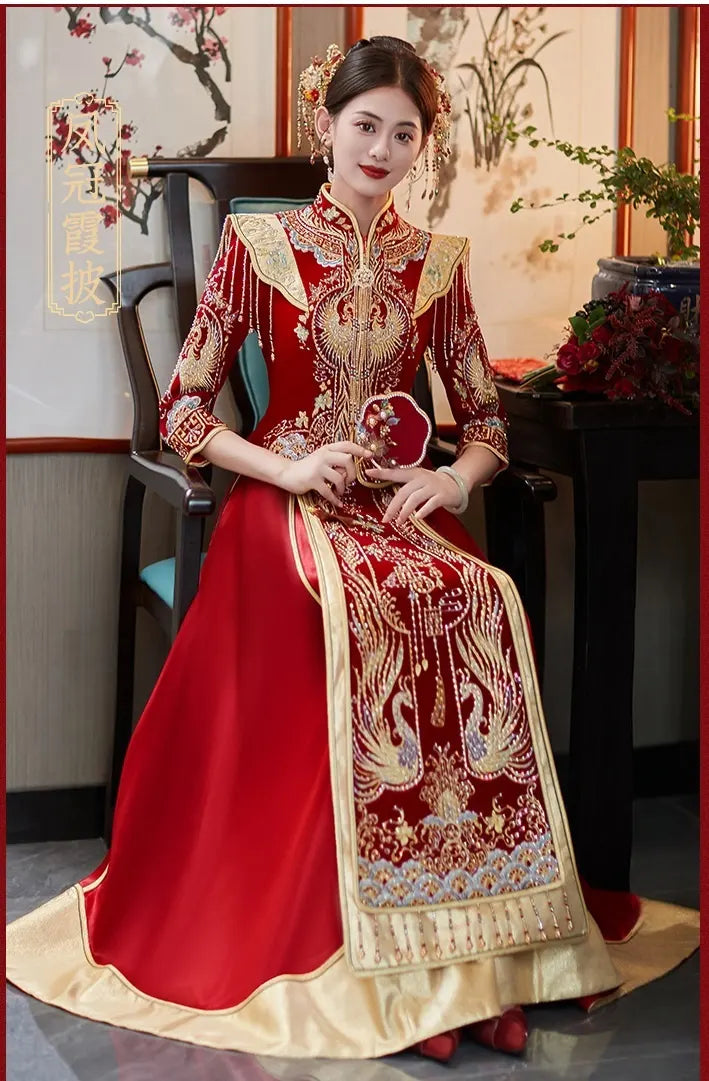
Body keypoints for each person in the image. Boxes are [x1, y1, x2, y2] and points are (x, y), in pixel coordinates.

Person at [6, 36, 693, 1065]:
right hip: (283, 508)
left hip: (397, 510)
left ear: (423, 147)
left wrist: (450, 480)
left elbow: (486, 420)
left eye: (402, 132)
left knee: (475, 592)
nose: (380, 146)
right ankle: (344, 945)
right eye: (363, 124)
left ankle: (467, 954)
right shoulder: (263, 250)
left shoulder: (436, 263)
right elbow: (188, 413)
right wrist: (282, 471)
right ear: (325, 128)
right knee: (332, 606)